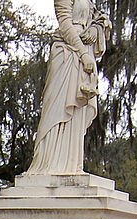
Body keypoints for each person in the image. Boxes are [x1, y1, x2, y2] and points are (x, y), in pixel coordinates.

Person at [26, 0, 111, 175]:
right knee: (56, 108)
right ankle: (47, 163)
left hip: (84, 55)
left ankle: (71, 165)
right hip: (67, 53)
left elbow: (99, 19)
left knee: (77, 115)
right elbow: (65, 24)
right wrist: (82, 54)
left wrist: (96, 29)